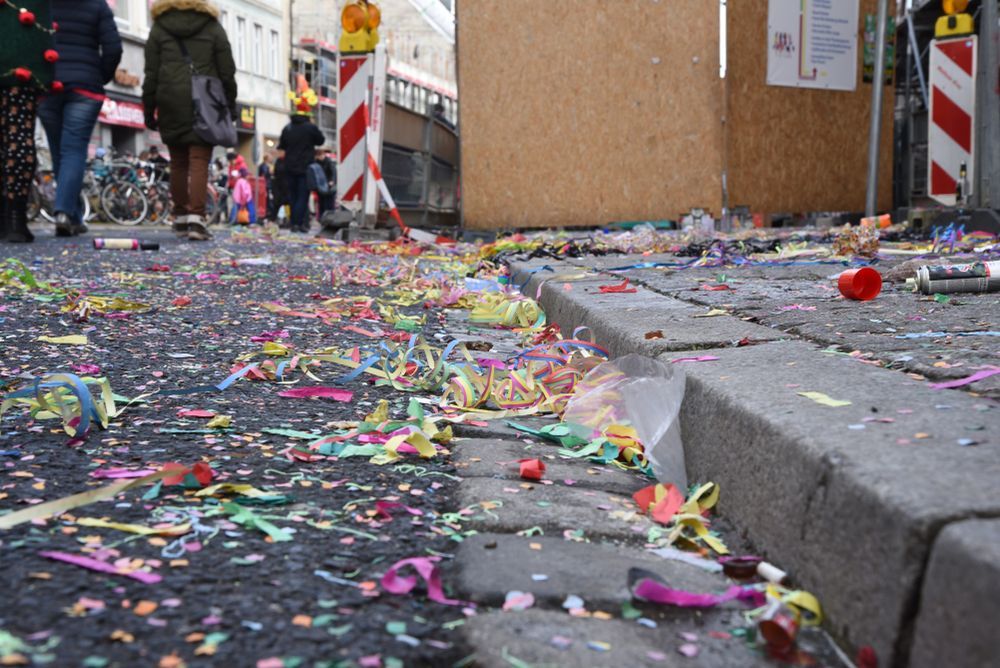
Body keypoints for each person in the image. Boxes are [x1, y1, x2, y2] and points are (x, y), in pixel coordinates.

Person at [143, 0, 237, 241]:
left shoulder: (160, 27)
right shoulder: (212, 27)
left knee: (178, 162)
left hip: (170, 98)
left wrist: (149, 107)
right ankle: (197, 218)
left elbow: (151, 72)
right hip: (204, 100)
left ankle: (181, 216)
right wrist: (229, 104)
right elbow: (227, 70)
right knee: (199, 159)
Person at [38, 0, 122, 237]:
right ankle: (65, 212)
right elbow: (113, 48)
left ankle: (72, 215)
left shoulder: (43, 5)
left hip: (48, 84)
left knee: (58, 152)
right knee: (73, 151)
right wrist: (99, 75)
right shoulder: (97, 5)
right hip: (85, 87)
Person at [1, 0, 56, 244]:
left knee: (16, 134)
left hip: (21, 37)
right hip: (25, 43)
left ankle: (9, 217)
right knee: (19, 133)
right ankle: (15, 217)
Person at [279, 81, 324, 234]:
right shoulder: (310, 128)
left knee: (293, 196)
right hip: (305, 167)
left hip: (290, 167)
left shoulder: (288, 128)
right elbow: (321, 140)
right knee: (302, 197)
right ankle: (298, 223)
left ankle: (295, 223)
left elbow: (282, 145)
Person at [314, 147, 337, 219]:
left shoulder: (329, 162)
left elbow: (333, 172)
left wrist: (332, 181)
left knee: (329, 203)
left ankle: (330, 218)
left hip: (329, 185)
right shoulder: (316, 163)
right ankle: (322, 218)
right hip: (321, 186)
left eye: (321, 155)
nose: (320, 157)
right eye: (318, 156)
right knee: (321, 203)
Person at [258, 154, 274, 220]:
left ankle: (268, 213)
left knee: (268, 200)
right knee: (267, 200)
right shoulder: (264, 166)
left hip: (267, 184)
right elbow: (264, 175)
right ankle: (268, 213)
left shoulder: (266, 166)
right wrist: (270, 172)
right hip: (266, 185)